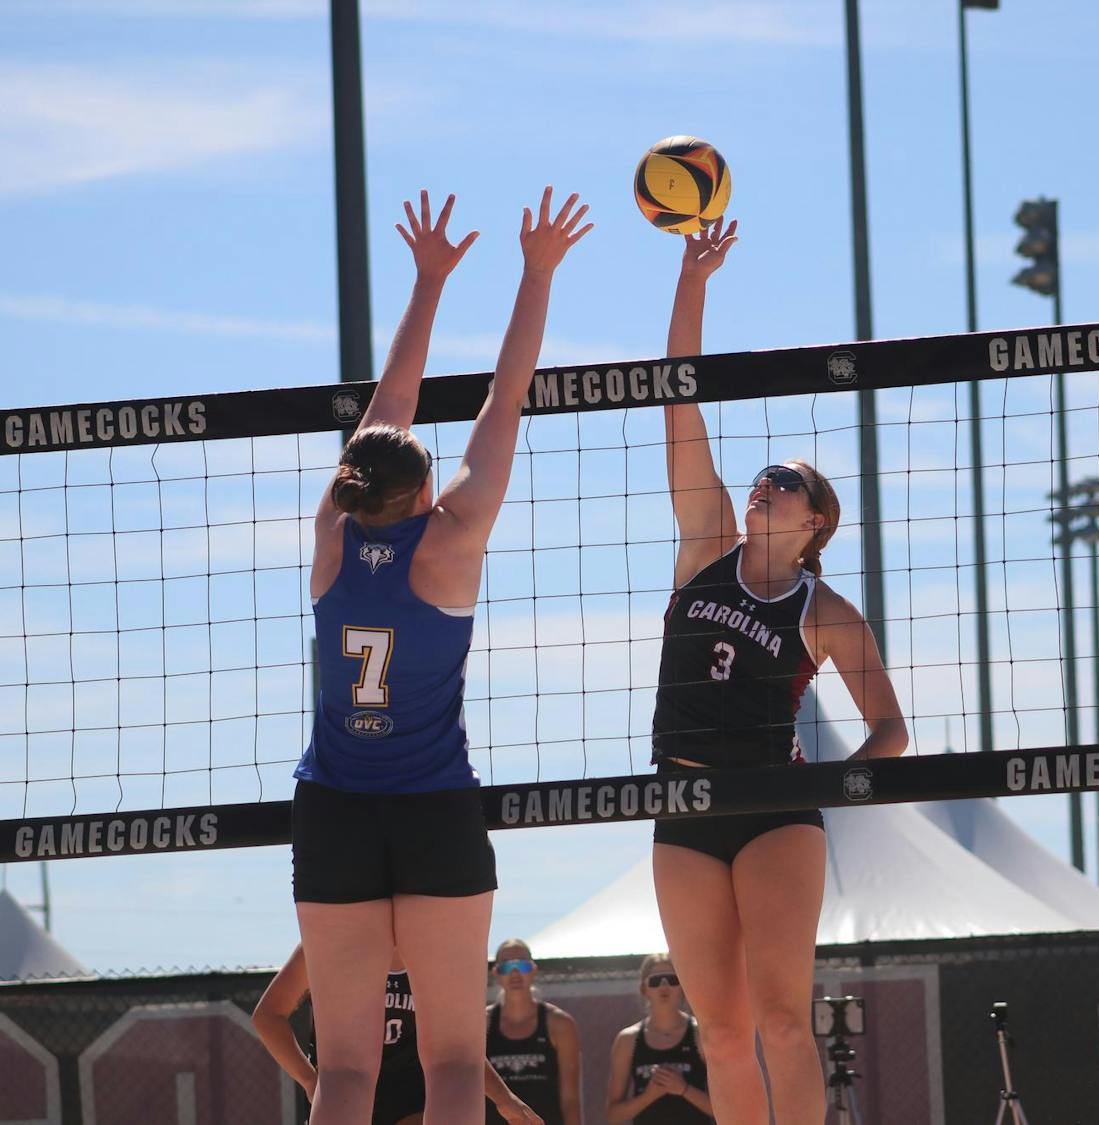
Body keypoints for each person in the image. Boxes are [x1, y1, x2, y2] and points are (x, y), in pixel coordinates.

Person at [291, 187, 591, 1125]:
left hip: (335, 808)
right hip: (432, 808)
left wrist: (426, 284)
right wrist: (537, 272)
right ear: (423, 491)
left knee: (345, 1071)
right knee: (456, 1061)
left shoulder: (332, 534)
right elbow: (507, 396)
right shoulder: (451, 542)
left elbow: (388, 407)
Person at [649, 217, 909, 1125]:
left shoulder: (824, 610)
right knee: (720, 1032)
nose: (765, 483)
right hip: (682, 800)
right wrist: (694, 282)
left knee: (781, 1021)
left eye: (785, 481)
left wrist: (831, 784)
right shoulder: (706, 545)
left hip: (773, 807)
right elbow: (679, 403)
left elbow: (892, 729)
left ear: (815, 521)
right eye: (762, 475)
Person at [252, 943, 542, 1125]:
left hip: (410, 1088)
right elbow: (268, 1016)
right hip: (344, 1083)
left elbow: (456, 1047)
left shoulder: (433, 950)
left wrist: (505, 1098)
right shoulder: (326, 944)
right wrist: (308, 1079)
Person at [605, 954, 713, 1123]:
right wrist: (649, 1095)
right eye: (656, 981)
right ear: (644, 989)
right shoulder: (628, 1040)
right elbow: (613, 1116)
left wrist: (683, 1089)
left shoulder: (700, 1034)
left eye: (672, 979)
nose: (664, 986)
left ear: (683, 985)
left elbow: (725, 1107)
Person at [485, 939, 583, 1125]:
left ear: (533, 970)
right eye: (506, 966)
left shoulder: (559, 1024)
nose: (515, 973)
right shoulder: (483, 1023)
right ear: (496, 973)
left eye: (522, 965)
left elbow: (570, 1099)